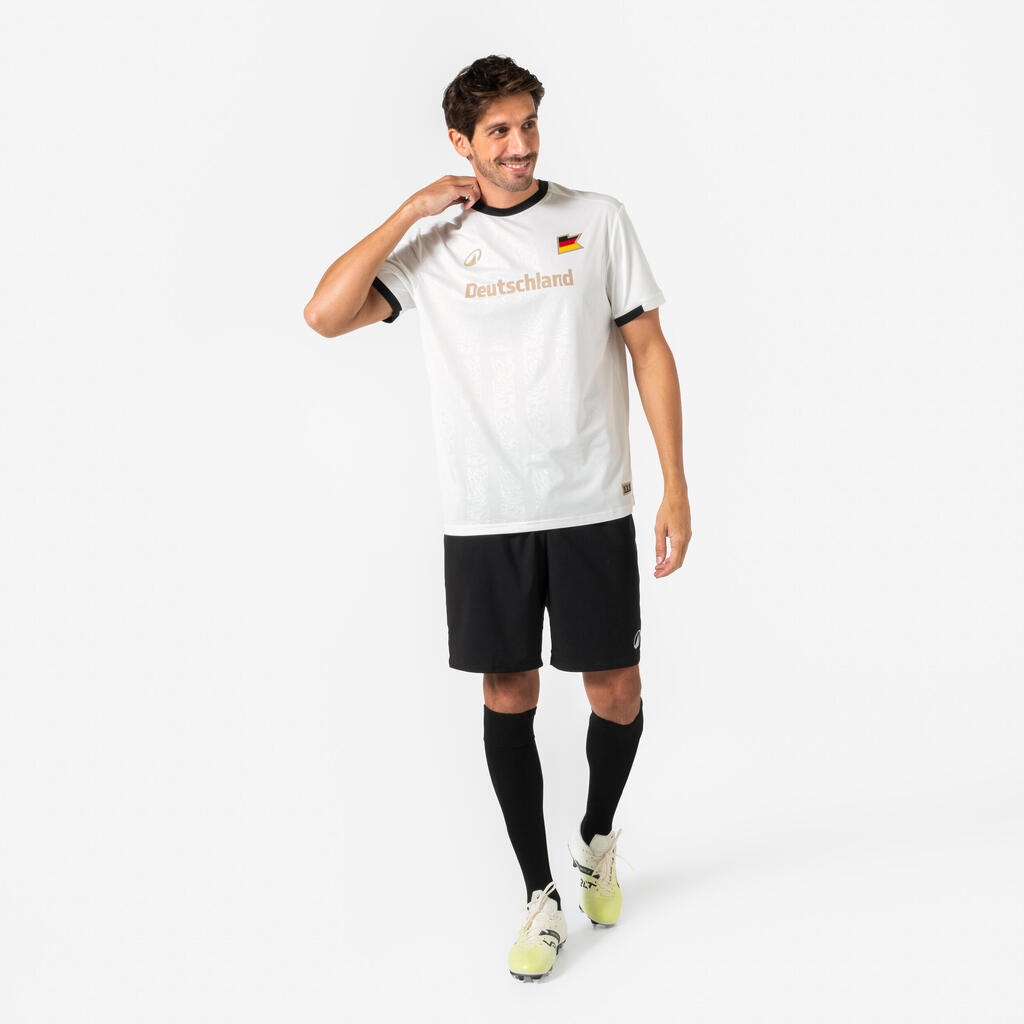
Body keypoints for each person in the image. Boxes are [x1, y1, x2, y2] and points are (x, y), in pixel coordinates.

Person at [304, 54, 691, 982]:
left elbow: (649, 349)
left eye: (529, 125)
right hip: (485, 516)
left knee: (616, 692)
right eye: (499, 132)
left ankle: (596, 839)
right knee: (508, 695)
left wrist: (675, 485)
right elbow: (324, 315)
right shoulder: (435, 246)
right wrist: (408, 213)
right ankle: (538, 894)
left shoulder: (597, 221)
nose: (520, 147)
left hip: (591, 503)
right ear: (461, 143)